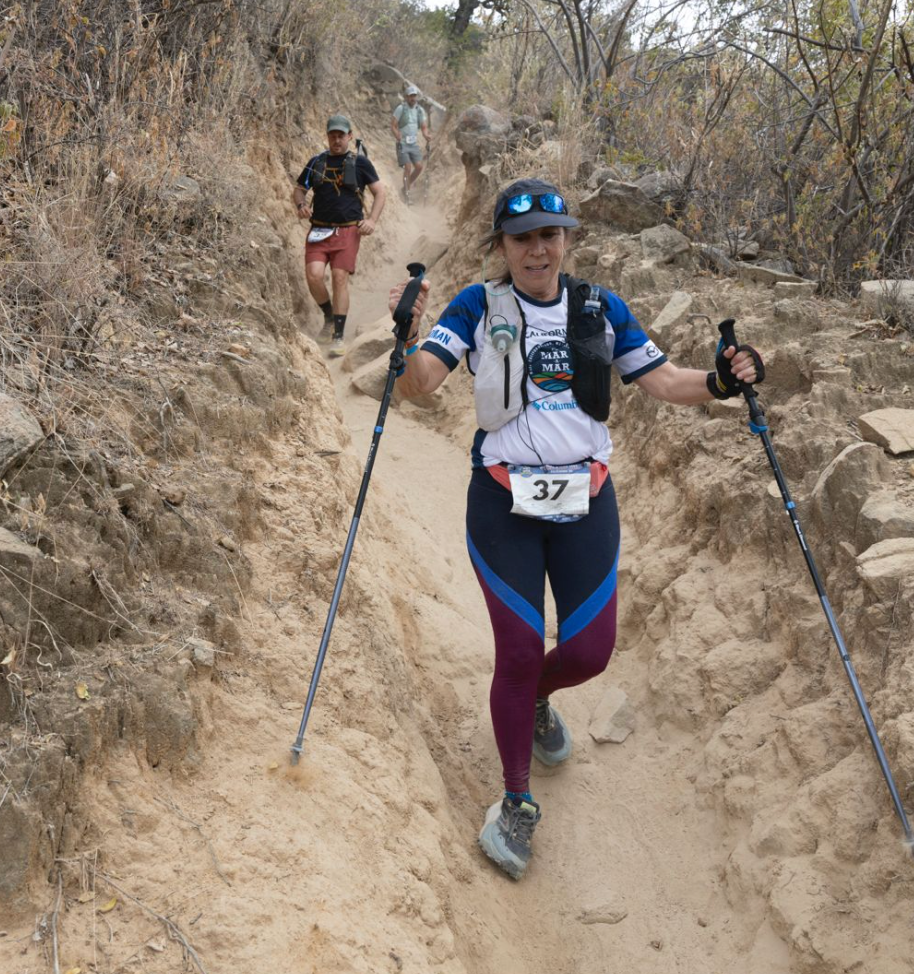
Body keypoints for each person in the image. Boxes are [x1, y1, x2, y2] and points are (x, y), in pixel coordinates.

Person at [387, 178, 765, 880]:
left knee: (590, 651)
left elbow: (666, 381)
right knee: (522, 648)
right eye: (523, 236)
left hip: (586, 499)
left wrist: (721, 380)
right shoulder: (479, 306)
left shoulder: (600, 308)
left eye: (550, 234)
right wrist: (408, 339)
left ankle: (534, 701)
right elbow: (421, 384)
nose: (538, 248)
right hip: (502, 504)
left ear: (567, 241)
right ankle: (517, 801)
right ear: (501, 245)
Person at [293, 114, 386, 357]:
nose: (336, 140)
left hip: (348, 230)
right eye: (332, 135)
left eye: (341, 135)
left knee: (339, 276)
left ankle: (338, 336)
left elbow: (380, 193)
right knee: (314, 276)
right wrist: (301, 204)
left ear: (349, 137)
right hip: (319, 230)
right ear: (327, 136)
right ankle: (329, 316)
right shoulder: (316, 162)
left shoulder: (360, 163)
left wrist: (372, 220)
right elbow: (299, 188)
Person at [390, 84, 431, 204]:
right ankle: (407, 194)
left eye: (415, 96)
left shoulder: (420, 110)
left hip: (413, 144)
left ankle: (405, 187)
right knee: (407, 167)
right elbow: (393, 125)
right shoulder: (401, 108)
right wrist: (396, 134)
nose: (413, 98)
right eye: (411, 96)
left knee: (419, 167)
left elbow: (423, 127)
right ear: (407, 97)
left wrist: (426, 135)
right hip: (403, 143)